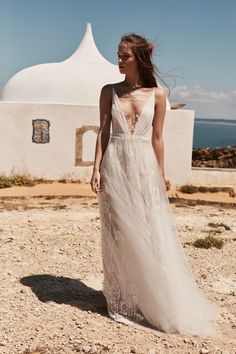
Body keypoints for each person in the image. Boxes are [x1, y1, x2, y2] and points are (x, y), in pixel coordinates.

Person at [90, 33, 220, 337]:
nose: (119, 61)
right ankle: (121, 299)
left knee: (150, 230)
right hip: (115, 164)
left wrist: (159, 177)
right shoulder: (108, 91)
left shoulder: (158, 95)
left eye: (125, 56)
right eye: (118, 55)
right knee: (118, 231)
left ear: (140, 58)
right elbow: (103, 132)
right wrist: (96, 168)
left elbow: (158, 138)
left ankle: (154, 298)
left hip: (144, 167)